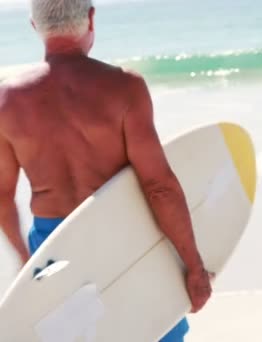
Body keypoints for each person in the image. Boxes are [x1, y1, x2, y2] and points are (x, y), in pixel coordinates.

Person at [0, 0, 212, 340]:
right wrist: (194, 266)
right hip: (127, 235)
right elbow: (159, 186)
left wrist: (27, 263)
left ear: (34, 26)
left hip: (54, 245)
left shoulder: (6, 100)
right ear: (91, 17)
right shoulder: (125, 87)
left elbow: (2, 196)